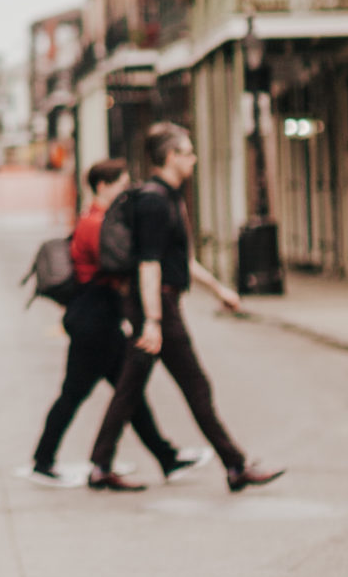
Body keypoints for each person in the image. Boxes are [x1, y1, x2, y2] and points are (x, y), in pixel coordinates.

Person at [86, 122, 285, 494]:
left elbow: (179, 260)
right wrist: (154, 321)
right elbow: (149, 264)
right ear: (172, 156)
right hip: (156, 304)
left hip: (159, 301)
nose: (194, 159)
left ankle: (100, 464)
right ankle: (236, 465)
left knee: (130, 388)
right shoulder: (154, 201)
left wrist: (218, 289)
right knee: (195, 386)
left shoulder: (169, 197)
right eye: (189, 152)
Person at [31, 159, 200, 484]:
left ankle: (162, 457)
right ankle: (50, 460)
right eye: (122, 185)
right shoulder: (96, 223)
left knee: (127, 391)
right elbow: (120, 263)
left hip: (99, 318)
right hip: (95, 320)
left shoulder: (97, 220)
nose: (126, 191)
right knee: (87, 392)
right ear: (103, 186)